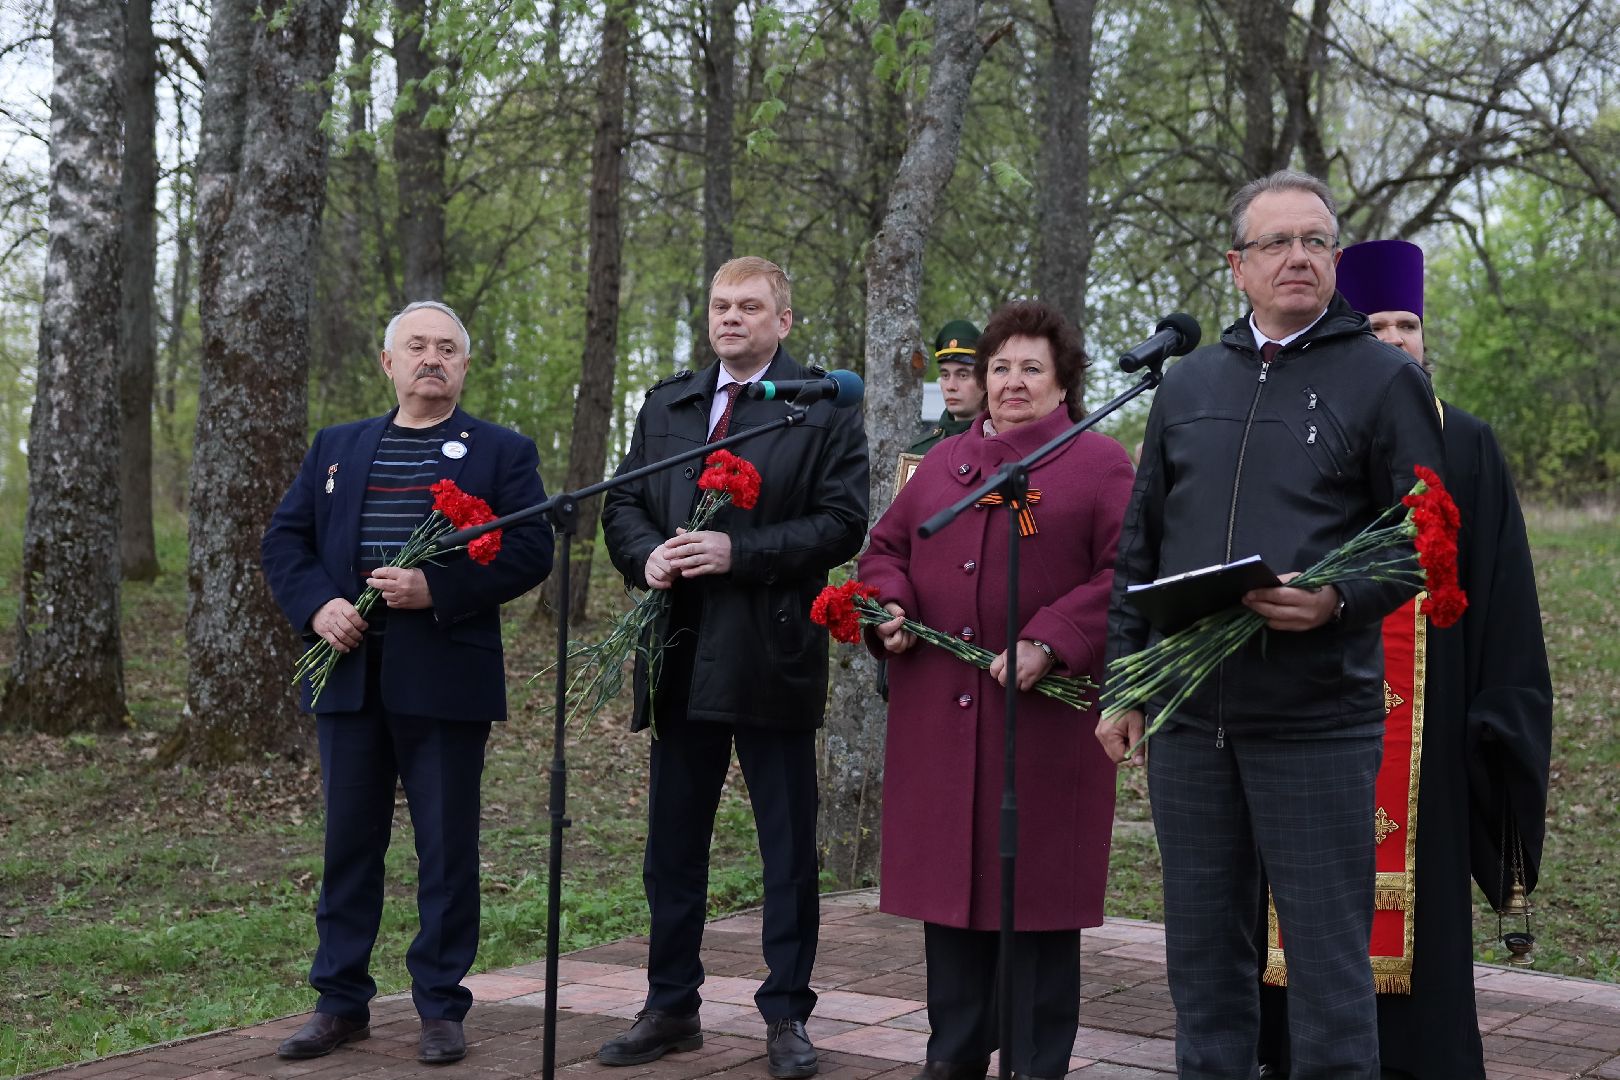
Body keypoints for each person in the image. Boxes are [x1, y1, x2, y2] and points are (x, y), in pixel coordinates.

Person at [1095, 171, 1446, 1080]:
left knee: (1330, 973)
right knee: (1204, 966)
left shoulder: (1382, 378)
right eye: (1277, 243)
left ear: (1335, 258)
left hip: (1316, 720)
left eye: (1317, 241)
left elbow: (1424, 536)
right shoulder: (1189, 383)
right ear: (1237, 265)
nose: (1299, 257)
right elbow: (1140, 547)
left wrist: (1334, 599)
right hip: (1190, 724)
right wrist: (1126, 686)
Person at [1255, 240, 1553, 1080]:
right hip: (1311, 714)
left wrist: (1500, 720)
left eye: (1408, 324)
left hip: (1432, 733)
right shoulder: (1309, 433)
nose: (1394, 339)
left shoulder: (1470, 446)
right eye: (1376, 322)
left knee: (1425, 932)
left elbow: (1505, 597)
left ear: (1426, 337)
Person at [261, 301, 555, 1065]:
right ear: (386, 362)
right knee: (348, 848)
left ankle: (439, 1006)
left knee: (446, 849)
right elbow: (285, 540)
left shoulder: (502, 452)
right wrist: (317, 606)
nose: (432, 358)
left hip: (444, 677)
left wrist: (440, 591)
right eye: (416, 347)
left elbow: (530, 551)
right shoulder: (337, 446)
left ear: (464, 365)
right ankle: (340, 1003)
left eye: (447, 349)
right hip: (350, 674)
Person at [596, 256, 869, 1078]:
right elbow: (624, 503)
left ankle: (786, 1014)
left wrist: (737, 550)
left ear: (782, 321)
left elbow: (842, 524)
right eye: (721, 305)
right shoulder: (669, 403)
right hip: (679, 652)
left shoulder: (819, 407)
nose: (732, 317)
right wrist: (647, 557)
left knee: (786, 849)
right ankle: (671, 1005)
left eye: (750, 307)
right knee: (672, 848)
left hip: (771, 651)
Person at [860, 300, 1133, 1080]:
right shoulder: (945, 463)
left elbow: (1127, 575)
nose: (1012, 382)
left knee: (1040, 905)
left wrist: (1052, 638)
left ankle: (1038, 1064)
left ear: (1063, 381)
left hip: (1043, 731)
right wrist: (891, 607)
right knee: (952, 904)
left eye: (1031, 369)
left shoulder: (1100, 463)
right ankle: (951, 1058)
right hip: (940, 725)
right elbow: (885, 549)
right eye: (1000, 367)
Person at [907, 319, 986, 455]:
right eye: (945, 375)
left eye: (963, 375)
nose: (951, 386)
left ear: (985, 381)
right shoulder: (921, 450)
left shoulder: (999, 445)